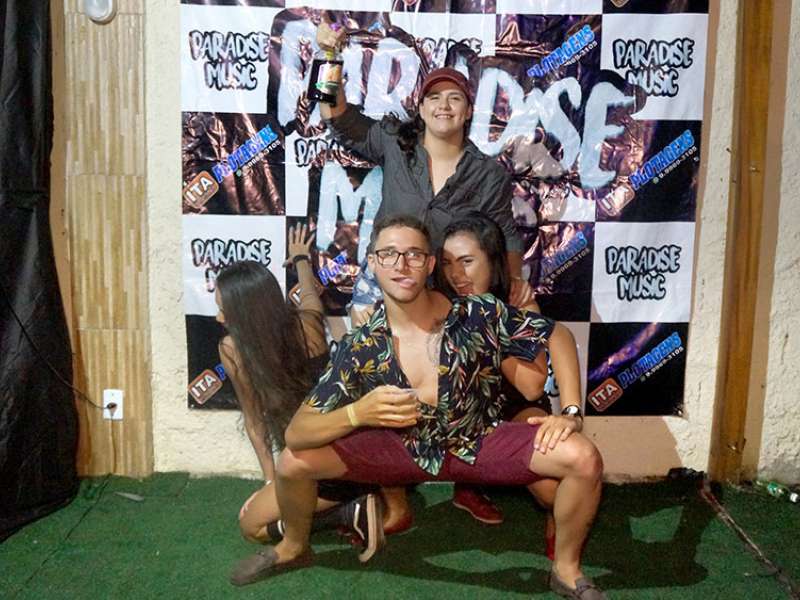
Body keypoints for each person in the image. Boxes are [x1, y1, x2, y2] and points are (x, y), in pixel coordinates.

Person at [262, 215, 607, 600]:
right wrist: (358, 414)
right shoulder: (362, 344)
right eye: (389, 254)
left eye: (413, 254)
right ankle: (294, 546)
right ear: (373, 263)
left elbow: (557, 334)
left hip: (478, 442)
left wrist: (571, 413)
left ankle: (566, 569)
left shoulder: (476, 314)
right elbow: (297, 432)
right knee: (293, 462)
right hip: (400, 451)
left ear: (428, 264)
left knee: (583, 457)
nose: (401, 264)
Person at [315, 20, 535, 324]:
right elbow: (335, 115)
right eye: (434, 97)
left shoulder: (488, 175)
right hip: (383, 287)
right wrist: (328, 57)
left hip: (445, 297)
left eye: (454, 98)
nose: (444, 105)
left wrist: (515, 282)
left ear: (469, 111)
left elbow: (506, 237)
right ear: (421, 108)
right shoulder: (394, 142)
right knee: (369, 353)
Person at [215, 225, 387, 586]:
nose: (219, 318)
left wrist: (274, 481)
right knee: (267, 509)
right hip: (354, 454)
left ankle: (349, 511)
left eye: (223, 309)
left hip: (318, 465)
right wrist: (301, 260)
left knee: (251, 526)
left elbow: (255, 421)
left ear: (245, 313)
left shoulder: (232, 349)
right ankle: (355, 503)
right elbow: (309, 292)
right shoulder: (308, 324)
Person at [438, 213, 581, 558]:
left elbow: (531, 386)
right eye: (447, 263)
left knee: (551, 491)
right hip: (466, 414)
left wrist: (487, 321)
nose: (456, 274)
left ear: (493, 261)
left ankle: (555, 519)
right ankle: (467, 485)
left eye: (467, 261)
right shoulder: (439, 303)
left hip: (515, 404)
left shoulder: (517, 300)